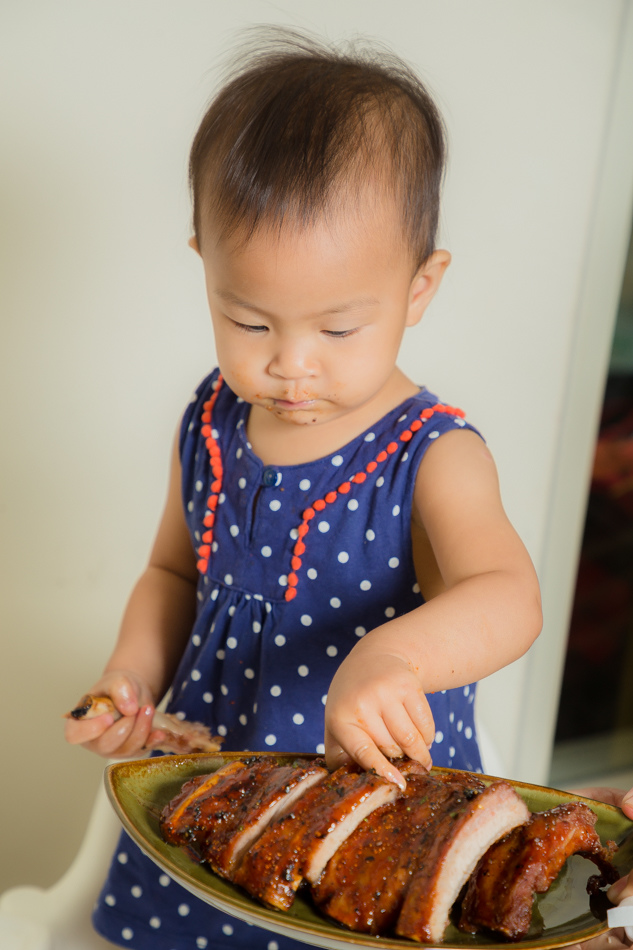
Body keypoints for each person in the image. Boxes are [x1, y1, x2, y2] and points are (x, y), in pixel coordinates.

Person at [64, 27, 551, 950]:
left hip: (368, 822)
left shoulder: (431, 453)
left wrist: (394, 660)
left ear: (419, 288)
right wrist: (129, 678)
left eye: (336, 330)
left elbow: (508, 595)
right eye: (248, 320)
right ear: (203, 259)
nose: (289, 365)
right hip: (212, 801)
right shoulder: (211, 421)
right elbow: (173, 575)